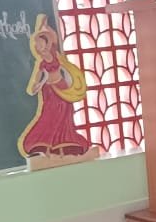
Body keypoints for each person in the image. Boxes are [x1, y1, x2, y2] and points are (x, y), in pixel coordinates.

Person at [18, 14, 97, 165]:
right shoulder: (41, 64)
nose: (41, 48)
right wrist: (41, 84)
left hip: (62, 90)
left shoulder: (56, 57)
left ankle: (65, 145)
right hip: (48, 93)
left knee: (65, 117)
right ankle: (45, 145)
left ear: (48, 44)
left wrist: (43, 25)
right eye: (38, 46)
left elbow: (52, 37)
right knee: (50, 116)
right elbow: (34, 86)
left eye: (42, 44)